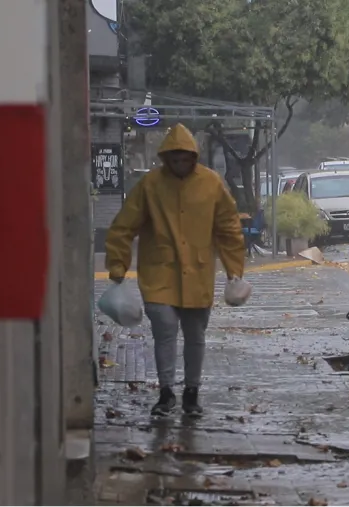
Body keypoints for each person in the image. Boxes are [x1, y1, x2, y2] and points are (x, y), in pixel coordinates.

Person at [105, 123, 246, 417]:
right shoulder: (150, 186)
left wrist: (235, 271)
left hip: (198, 273)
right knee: (165, 331)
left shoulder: (211, 184)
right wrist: (117, 268)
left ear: (193, 157)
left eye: (185, 159)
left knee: (195, 335)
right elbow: (123, 227)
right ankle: (166, 391)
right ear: (166, 158)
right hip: (159, 274)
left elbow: (229, 228)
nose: (180, 164)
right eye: (175, 159)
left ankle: (191, 392)